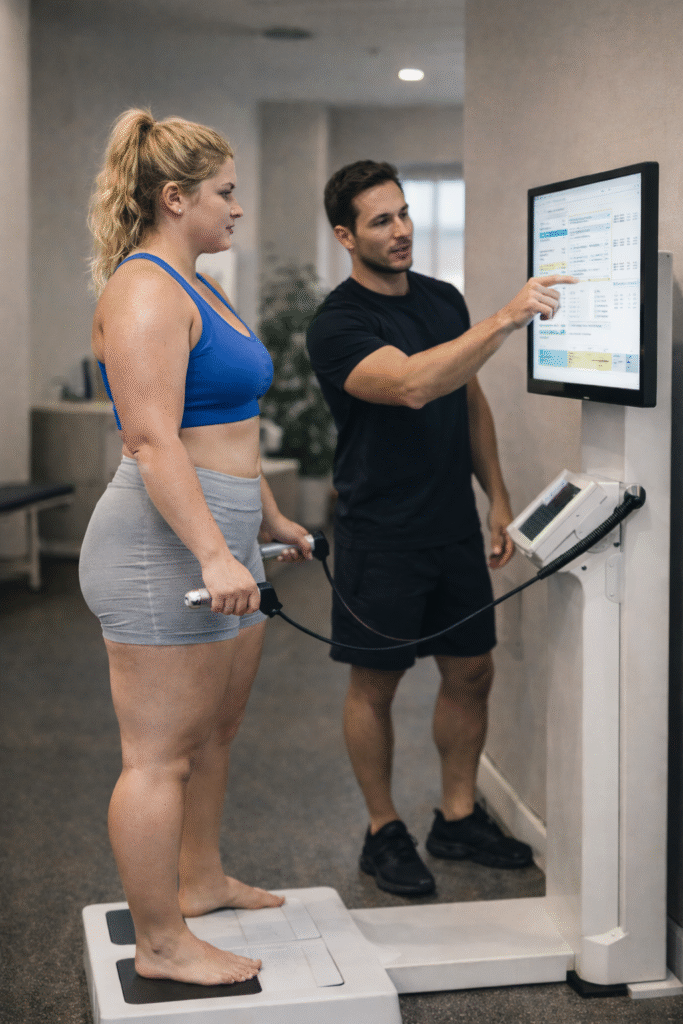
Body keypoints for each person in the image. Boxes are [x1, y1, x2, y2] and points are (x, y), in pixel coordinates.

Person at [79, 109, 312, 986]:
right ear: (174, 199)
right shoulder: (144, 290)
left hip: (217, 529)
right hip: (160, 543)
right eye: (225, 193)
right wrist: (216, 554)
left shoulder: (199, 284)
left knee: (216, 732)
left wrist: (267, 517)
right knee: (158, 755)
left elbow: (221, 425)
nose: (237, 209)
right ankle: (162, 939)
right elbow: (151, 440)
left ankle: (200, 879)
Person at [306, 160, 576, 897]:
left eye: (403, 214)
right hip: (379, 530)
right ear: (345, 234)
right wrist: (505, 316)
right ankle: (381, 829)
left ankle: (456, 817)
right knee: (377, 684)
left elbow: (466, 398)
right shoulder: (338, 324)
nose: (400, 231)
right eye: (380, 220)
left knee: (471, 672)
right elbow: (414, 384)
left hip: (450, 524)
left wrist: (494, 493)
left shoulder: (440, 299)